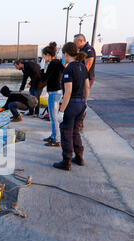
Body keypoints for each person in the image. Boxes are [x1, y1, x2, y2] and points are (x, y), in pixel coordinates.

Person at [53, 42, 90, 171]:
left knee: (66, 132)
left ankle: (66, 160)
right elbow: (87, 87)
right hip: (80, 103)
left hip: (71, 104)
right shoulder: (82, 66)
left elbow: (68, 92)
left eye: (63, 54)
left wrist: (61, 111)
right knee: (75, 131)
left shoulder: (69, 68)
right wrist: (84, 103)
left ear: (66, 54)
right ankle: (79, 157)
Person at [40, 42, 65, 147]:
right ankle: (53, 135)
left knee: (53, 117)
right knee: (53, 116)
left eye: (43, 56)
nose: (43, 58)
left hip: (54, 92)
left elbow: (44, 79)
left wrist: (42, 68)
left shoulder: (52, 63)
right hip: (57, 91)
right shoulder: (58, 62)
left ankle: (56, 139)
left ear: (48, 55)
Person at [74, 34, 96, 130]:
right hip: (81, 78)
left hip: (85, 79)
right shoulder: (82, 50)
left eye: (76, 42)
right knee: (78, 99)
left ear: (81, 40)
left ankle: (80, 122)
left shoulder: (88, 49)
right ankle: (77, 120)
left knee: (81, 100)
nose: (75, 44)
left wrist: (81, 77)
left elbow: (89, 63)